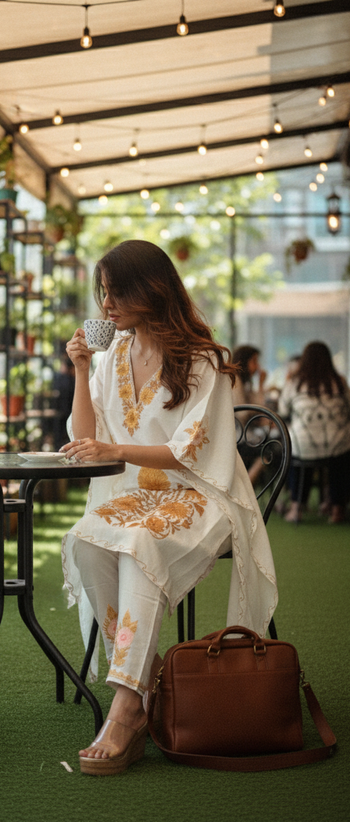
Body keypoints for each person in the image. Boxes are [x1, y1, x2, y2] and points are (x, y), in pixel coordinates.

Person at [60, 240, 278, 775]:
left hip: (205, 495)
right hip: (137, 498)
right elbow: (84, 437)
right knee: (85, 538)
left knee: (137, 541)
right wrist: (81, 371)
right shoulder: (111, 357)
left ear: (150, 290)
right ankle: (149, 677)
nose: (105, 304)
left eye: (115, 292)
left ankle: (127, 708)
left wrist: (116, 451)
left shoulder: (202, 359)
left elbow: (191, 455)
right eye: (103, 293)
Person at [278, 341, 350, 524]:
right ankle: (337, 510)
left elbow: (282, 412)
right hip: (337, 445)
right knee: (340, 461)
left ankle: (296, 509)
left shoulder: (294, 383)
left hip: (303, 445)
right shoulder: (339, 382)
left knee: (299, 455)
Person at [231, 345, 269, 482]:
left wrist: (260, 385)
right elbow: (242, 413)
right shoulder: (235, 380)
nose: (257, 366)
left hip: (242, 434)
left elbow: (259, 408)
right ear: (244, 361)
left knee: (270, 446)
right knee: (269, 452)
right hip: (236, 437)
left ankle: (246, 487)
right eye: (254, 361)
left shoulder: (244, 382)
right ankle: (247, 490)